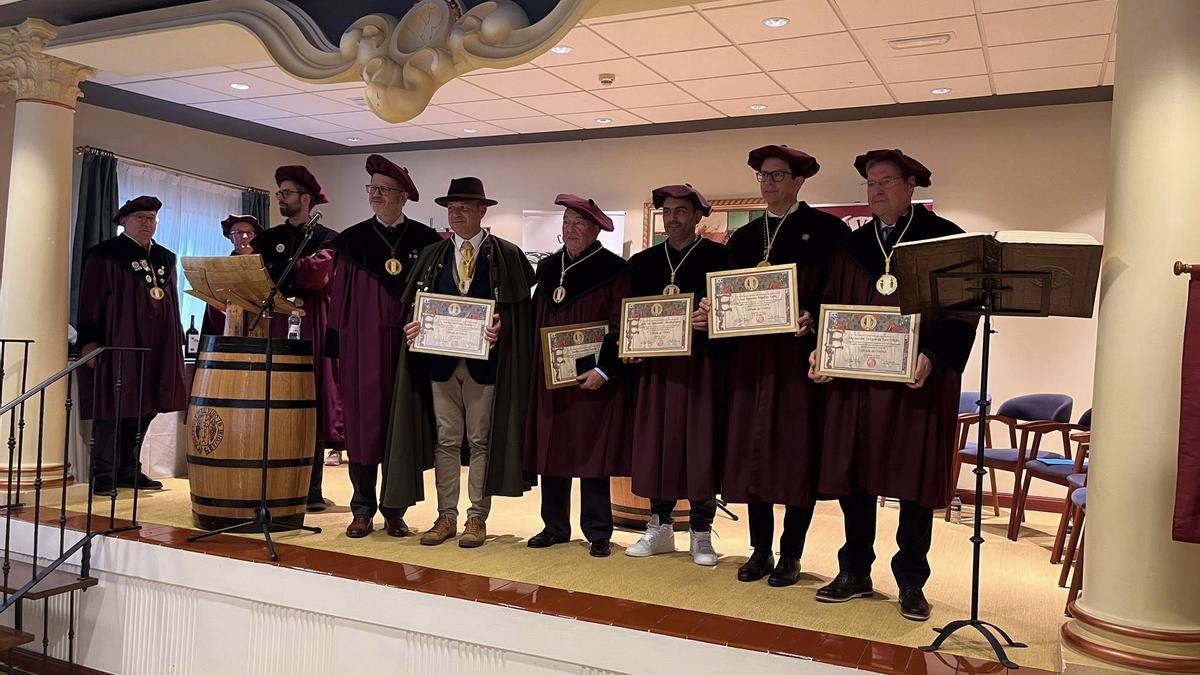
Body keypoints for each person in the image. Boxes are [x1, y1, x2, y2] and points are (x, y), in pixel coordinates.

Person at [808, 149, 977, 621]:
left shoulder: (944, 240)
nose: (876, 190)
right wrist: (823, 349)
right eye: (870, 184)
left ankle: (911, 581)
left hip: (916, 382)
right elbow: (832, 305)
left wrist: (936, 355)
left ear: (911, 185)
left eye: (885, 182)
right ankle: (856, 571)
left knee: (913, 481)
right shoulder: (854, 247)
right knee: (854, 473)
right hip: (857, 382)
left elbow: (964, 307)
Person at [705, 145, 849, 587]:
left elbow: (841, 293)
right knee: (752, 458)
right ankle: (760, 550)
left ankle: (791, 555)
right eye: (763, 177)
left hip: (795, 362)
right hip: (750, 361)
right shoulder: (746, 238)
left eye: (777, 176)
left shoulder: (827, 231)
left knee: (793, 458)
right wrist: (717, 308)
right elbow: (729, 295)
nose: (768, 184)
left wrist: (815, 316)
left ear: (799, 180)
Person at [383, 177, 536, 547]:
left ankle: (476, 518)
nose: (456, 213)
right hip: (441, 364)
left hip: (486, 365)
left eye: (465, 207)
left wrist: (505, 326)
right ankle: (445, 517)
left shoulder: (507, 255)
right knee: (446, 441)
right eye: (452, 208)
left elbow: (521, 316)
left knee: (481, 440)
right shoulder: (433, 255)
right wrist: (414, 326)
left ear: (483, 211)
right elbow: (414, 308)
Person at [327, 155, 441, 538]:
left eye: (383, 190)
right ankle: (362, 509)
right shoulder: (352, 241)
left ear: (402, 197)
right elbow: (339, 297)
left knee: (401, 426)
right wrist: (335, 345)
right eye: (372, 189)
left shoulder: (426, 244)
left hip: (410, 351)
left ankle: (395, 510)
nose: (375, 195)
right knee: (364, 426)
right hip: (364, 349)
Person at [624, 184, 728, 566]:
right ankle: (660, 526)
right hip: (656, 370)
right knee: (657, 444)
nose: (672, 218)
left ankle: (701, 531)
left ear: (698, 215)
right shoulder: (643, 261)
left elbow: (736, 316)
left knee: (700, 444)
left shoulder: (722, 258)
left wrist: (712, 322)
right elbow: (627, 315)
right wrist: (629, 346)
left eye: (681, 211)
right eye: (666, 211)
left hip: (701, 368)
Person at [524, 194, 632, 558]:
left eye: (579, 223)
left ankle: (598, 531)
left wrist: (606, 368)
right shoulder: (550, 267)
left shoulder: (613, 270)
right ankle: (554, 526)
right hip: (551, 377)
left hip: (592, 378)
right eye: (566, 222)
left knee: (591, 453)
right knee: (551, 447)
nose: (570, 229)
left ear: (595, 228)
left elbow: (621, 325)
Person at [77, 196, 188, 494]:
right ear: (123, 221)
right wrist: (89, 341)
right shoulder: (105, 254)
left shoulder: (165, 257)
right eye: (140, 217)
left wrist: (174, 340)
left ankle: (129, 469)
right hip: (120, 339)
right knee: (113, 404)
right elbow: (91, 300)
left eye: (152, 218)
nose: (147, 223)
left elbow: (172, 302)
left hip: (157, 345)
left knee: (147, 405)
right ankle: (103, 473)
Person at [252, 166, 344, 513]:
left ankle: (313, 486)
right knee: (274, 402)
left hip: (312, 327)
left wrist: (282, 269)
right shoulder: (266, 238)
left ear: (306, 199)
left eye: (287, 194)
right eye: (278, 194)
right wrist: (288, 268)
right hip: (275, 325)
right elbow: (256, 276)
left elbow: (316, 274)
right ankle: (274, 482)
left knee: (312, 401)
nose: (281, 199)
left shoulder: (328, 238)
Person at [200, 214, 263, 338]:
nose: (245, 237)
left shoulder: (266, 266)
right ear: (230, 237)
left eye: (249, 233)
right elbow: (214, 306)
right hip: (229, 330)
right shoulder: (220, 270)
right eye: (239, 233)